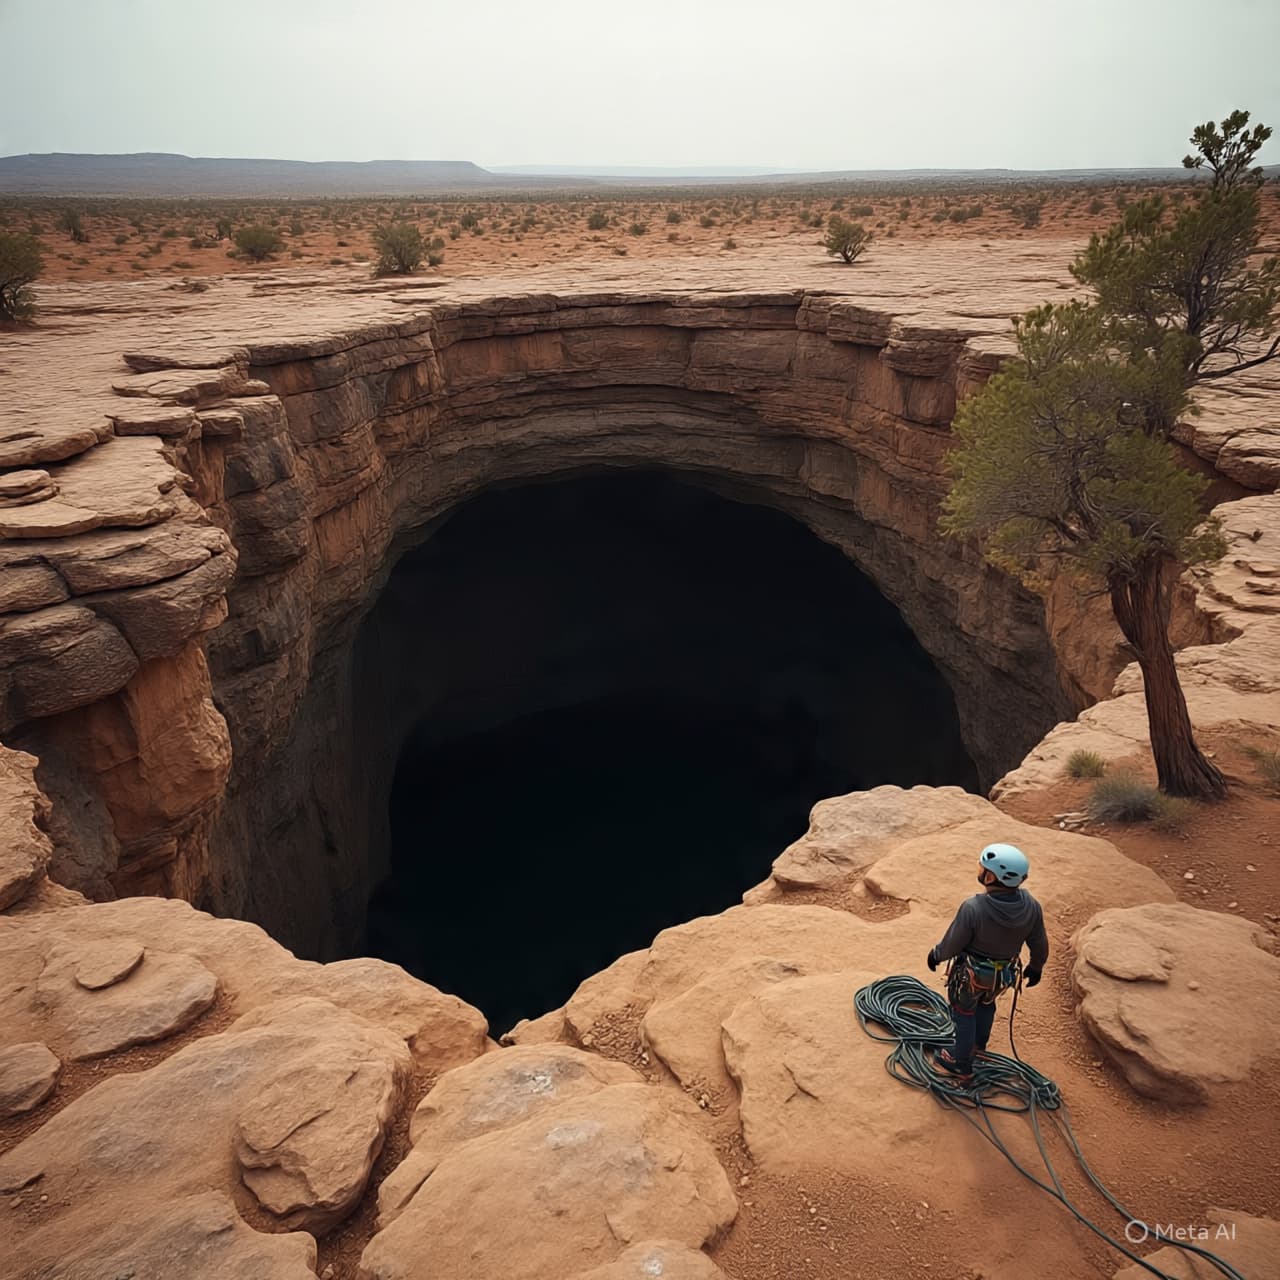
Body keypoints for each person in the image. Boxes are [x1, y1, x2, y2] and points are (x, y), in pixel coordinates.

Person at [925, 842, 1048, 1082]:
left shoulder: (974, 908)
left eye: (982, 867)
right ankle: (979, 1045)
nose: (979, 869)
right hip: (1002, 975)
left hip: (971, 975)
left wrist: (937, 955)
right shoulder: (1031, 906)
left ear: (990, 876)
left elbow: (954, 942)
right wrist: (1036, 966)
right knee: (987, 1005)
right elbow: (1039, 941)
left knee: (963, 1013)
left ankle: (960, 1063)